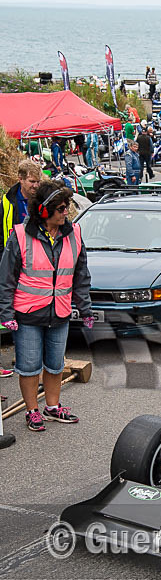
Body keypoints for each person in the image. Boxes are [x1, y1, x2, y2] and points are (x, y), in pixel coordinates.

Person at [0, 181, 93, 431]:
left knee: (55, 365)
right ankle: (32, 411)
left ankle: (52, 407)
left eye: (67, 207)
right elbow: (6, 277)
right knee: (29, 368)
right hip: (28, 314)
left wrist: (85, 308)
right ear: (43, 210)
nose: (67, 213)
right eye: (61, 208)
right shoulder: (20, 236)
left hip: (59, 312)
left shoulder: (74, 234)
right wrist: (6, 313)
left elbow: (81, 275)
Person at [0, 160, 43, 378]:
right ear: (21, 179)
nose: (36, 186)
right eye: (32, 181)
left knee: (30, 310)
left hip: (35, 265)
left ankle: (26, 355)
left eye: (38, 181)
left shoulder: (43, 200)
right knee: (9, 309)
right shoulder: (7, 202)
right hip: (11, 260)